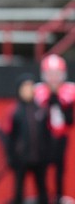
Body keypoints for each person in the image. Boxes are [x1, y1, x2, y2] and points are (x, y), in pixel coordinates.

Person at [34, 54, 75, 204]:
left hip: (61, 137)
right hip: (43, 138)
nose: (53, 78)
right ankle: (43, 197)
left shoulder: (68, 92)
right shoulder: (38, 91)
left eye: (56, 74)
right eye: (50, 74)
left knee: (59, 169)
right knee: (42, 169)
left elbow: (69, 121)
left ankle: (58, 196)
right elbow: (38, 118)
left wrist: (58, 102)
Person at [6, 73, 50, 204]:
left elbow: (47, 134)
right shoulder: (15, 111)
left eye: (30, 87)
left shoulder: (41, 109)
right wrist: (11, 157)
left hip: (39, 157)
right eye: (25, 87)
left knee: (42, 189)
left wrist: (47, 154)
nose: (28, 90)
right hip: (21, 158)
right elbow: (10, 137)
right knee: (19, 191)